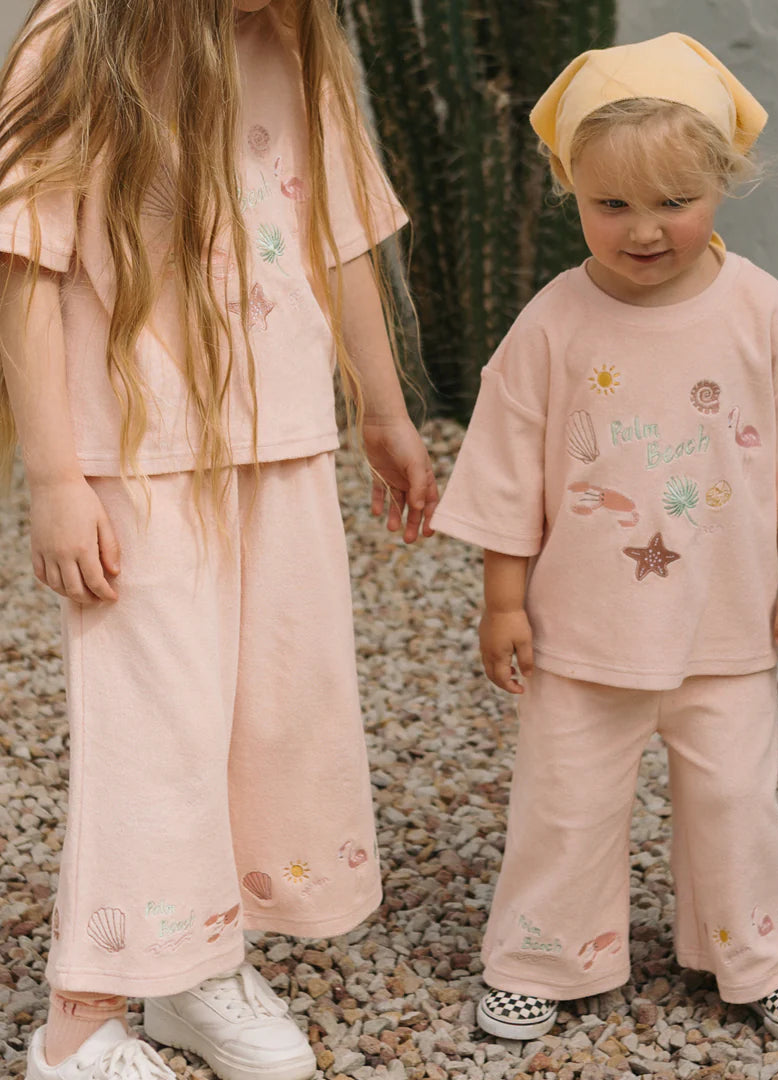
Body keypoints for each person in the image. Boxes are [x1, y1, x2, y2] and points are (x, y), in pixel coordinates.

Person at [0, 1, 437, 1077]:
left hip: (281, 443)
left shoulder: (292, 45)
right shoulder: (78, 41)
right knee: (156, 726)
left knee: (275, 711)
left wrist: (382, 412)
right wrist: (54, 478)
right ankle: (79, 1022)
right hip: (135, 458)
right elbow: (27, 275)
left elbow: (341, 244)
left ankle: (193, 966)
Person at [430, 33, 778, 1045]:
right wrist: (504, 598)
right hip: (582, 633)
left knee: (736, 799)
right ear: (571, 189)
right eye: (612, 205)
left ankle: (761, 955)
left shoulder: (764, 314)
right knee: (565, 799)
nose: (642, 231)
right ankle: (540, 954)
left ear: (724, 182)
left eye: (675, 202)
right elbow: (506, 474)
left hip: (725, 625)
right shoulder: (552, 324)